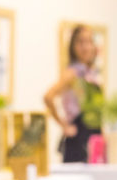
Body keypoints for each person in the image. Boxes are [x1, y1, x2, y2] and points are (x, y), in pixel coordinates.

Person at [43, 25, 102, 163]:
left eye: (89, 42)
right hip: (78, 140)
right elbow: (48, 97)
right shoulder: (71, 73)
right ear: (73, 47)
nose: (86, 47)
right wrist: (64, 125)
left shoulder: (91, 74)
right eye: (81, 42)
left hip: (93, 139)